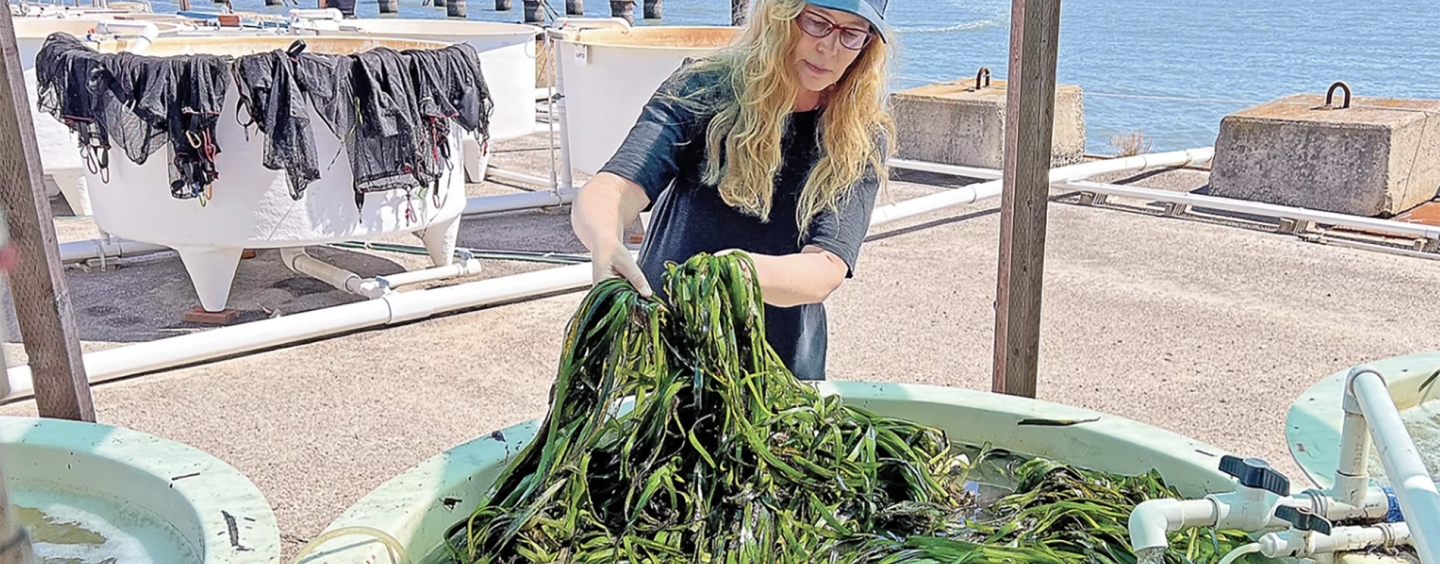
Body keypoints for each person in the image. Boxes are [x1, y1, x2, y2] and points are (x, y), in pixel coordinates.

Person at [570, 0, 895, 381]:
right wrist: (604, 238)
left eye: (851, 33)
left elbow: (826, 267)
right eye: (816, 22)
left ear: (869, 43)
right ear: (781, 16)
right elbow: (616, 185)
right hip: (662, 353)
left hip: (778, 373)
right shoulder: (704, 89)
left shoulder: (861, 134)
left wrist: (736, 270)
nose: (830, 47)